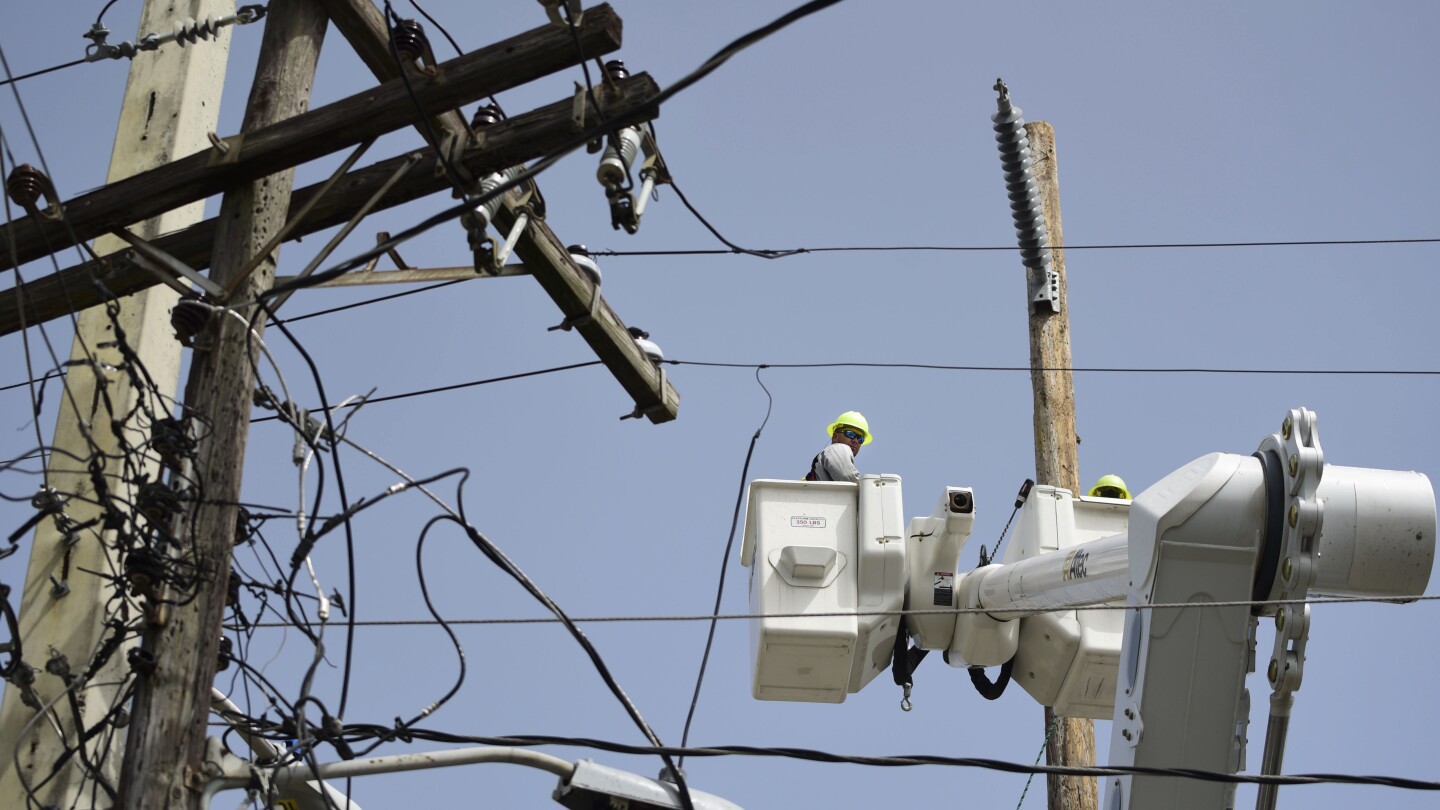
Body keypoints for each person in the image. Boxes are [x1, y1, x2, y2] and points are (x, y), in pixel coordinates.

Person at [805, 411, 872, 483]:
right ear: (835, 437)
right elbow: (847, 477)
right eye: (850, 434)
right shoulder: (837, 448)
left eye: (860, 439)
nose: (855, 440)